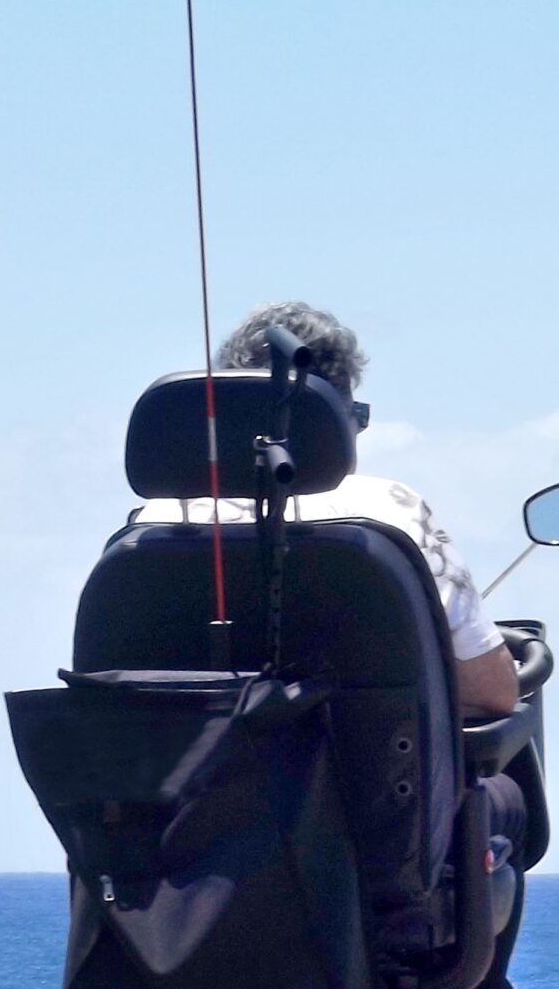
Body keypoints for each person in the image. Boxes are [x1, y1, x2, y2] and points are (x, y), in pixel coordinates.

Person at [135, 301, 521, 718]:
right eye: (356, 417)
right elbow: (493, 693)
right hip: (370, 780)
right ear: (334, 419)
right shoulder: (392, 511)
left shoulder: (154, 524)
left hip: (173, 779)